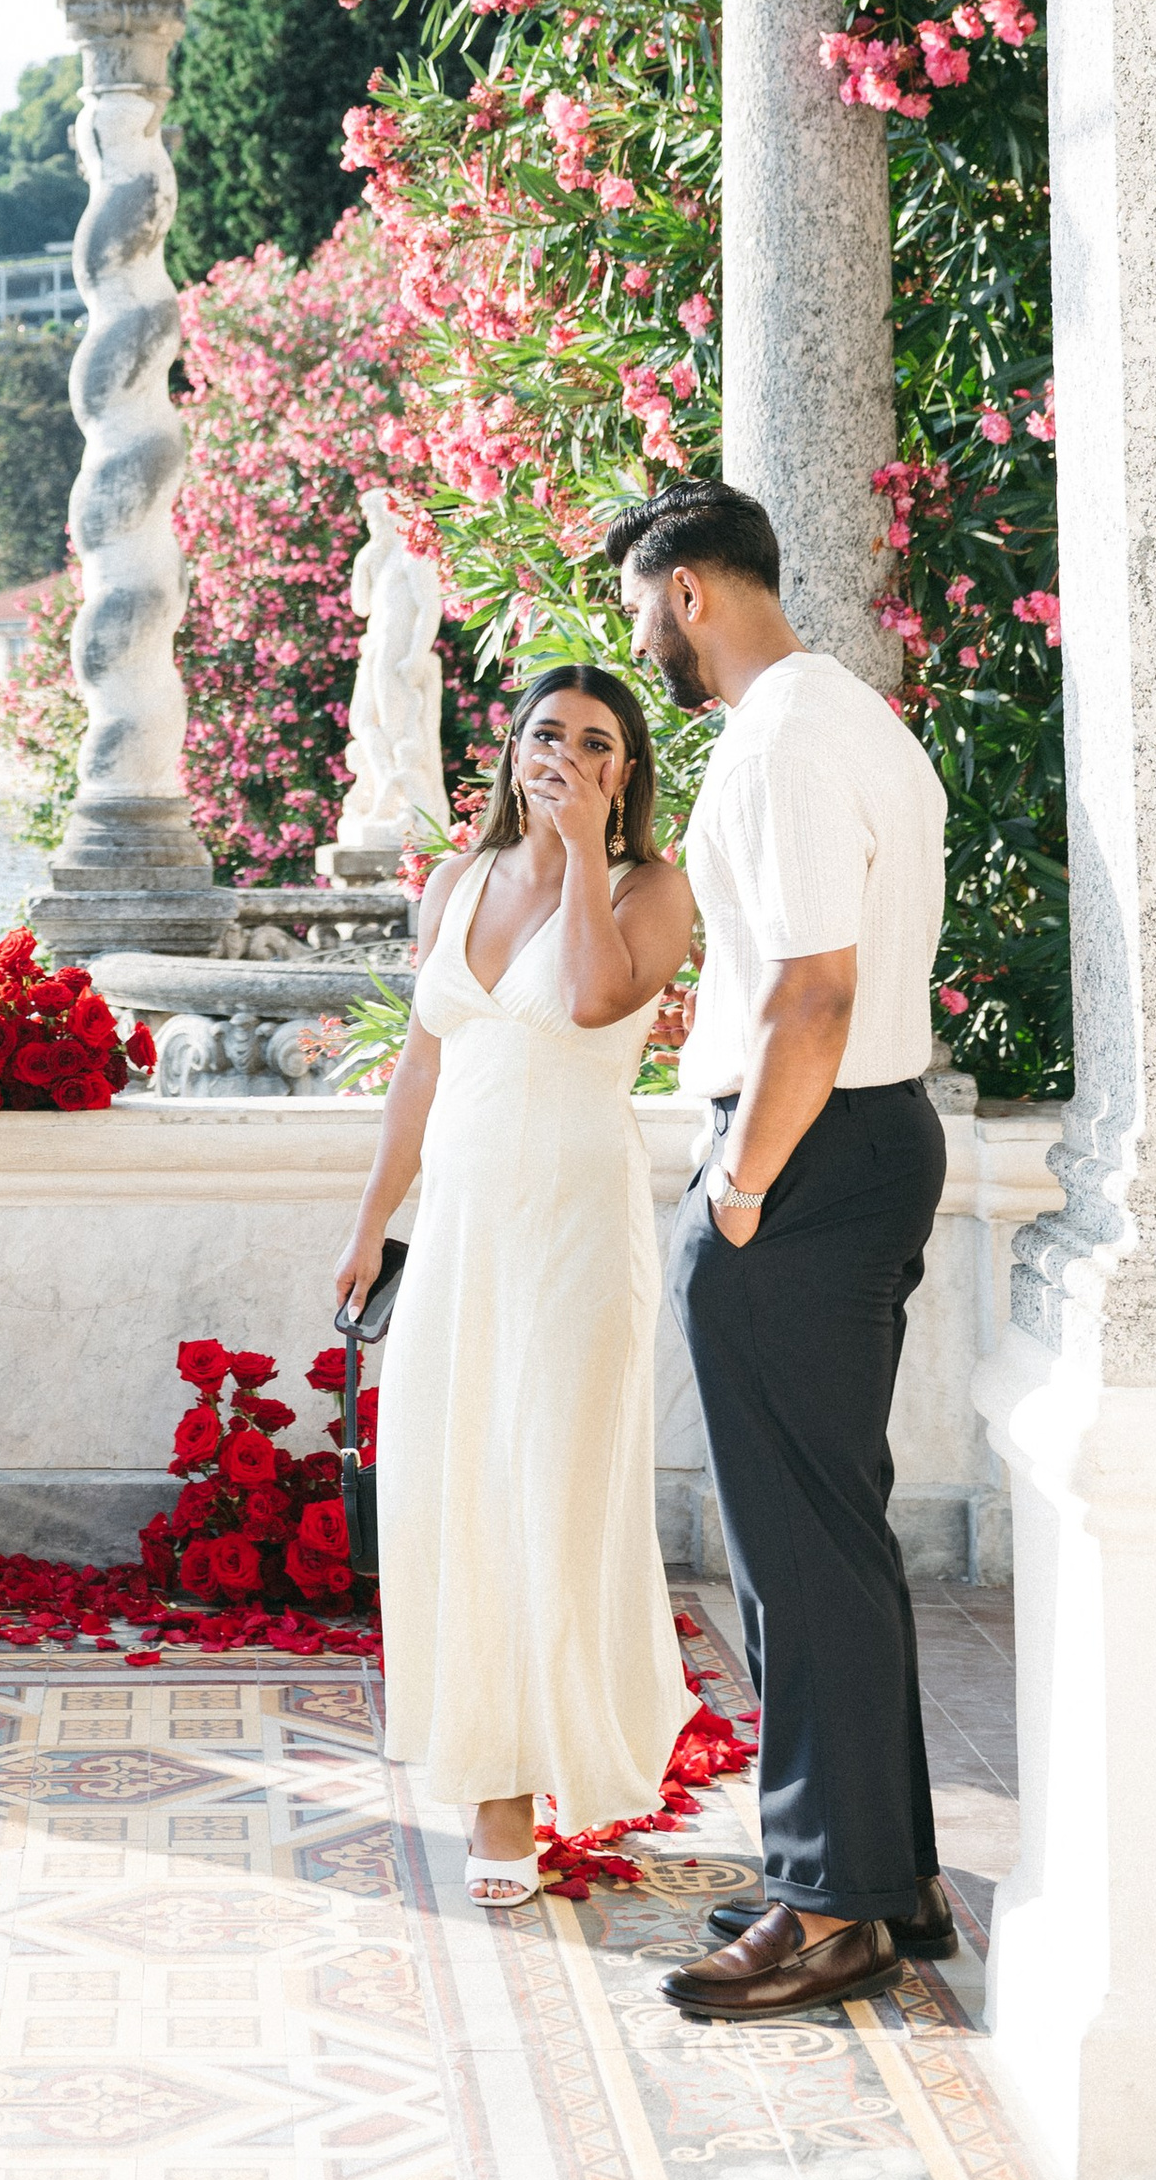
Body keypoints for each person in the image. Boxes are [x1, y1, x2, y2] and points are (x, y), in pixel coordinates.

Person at [607, 477, 955, 2023]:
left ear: (686, 589)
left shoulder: (781, 743)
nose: (644, 639)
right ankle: (881, 1872)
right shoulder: (857, 720)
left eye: (641, 608)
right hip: (869, 1141)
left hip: (805, 1156)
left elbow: (813, 990)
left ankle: (826, 1909)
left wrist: (740, 1186)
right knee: (835, 1534)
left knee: (796, 1552)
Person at [334, 663, 699, 1904]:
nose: (566, 755)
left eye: (597, 742)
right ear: (510, 748)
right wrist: (372, 1221)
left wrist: (584, 849)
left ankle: (544, 1769)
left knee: (551, 1483)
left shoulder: (651, 889)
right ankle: (492, 1772)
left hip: (576, 1226)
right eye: (547, 732)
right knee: (452, 1483)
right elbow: (419, 1067)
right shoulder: (455, 879)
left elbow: (594, 996)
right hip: (459, 1228)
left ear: (626, 770)